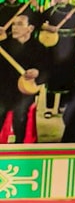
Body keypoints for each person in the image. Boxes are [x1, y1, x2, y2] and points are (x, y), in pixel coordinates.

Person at [1, 13, 42, 142]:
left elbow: (47, 69)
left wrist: (37, 73)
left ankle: (20, 146)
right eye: (13, 24)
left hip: (25, 92)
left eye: (19, 24)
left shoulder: (39, 48)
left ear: (30, 28)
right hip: (4, 89)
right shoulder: (4, 45)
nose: (14, 28)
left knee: (19, 115)